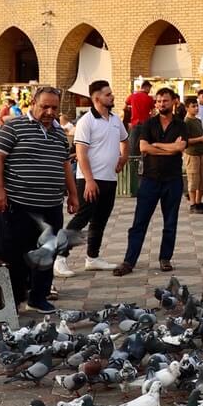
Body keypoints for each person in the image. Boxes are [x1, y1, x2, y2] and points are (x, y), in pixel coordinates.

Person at [0, 84, 78, 311]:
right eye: (45, 107)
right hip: (18, 205)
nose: (49, 112)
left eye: (54, 108)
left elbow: (65, 164)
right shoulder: (13, 128)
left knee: (48, 253)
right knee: (15, 253)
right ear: (33, 104)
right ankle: (14, 300)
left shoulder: (59, 132)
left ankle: (39, 297)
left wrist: (73, 194)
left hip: (51, 205)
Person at [113, 87, 186, 276]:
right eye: (159, 101)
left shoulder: (180, 125)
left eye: (166, 101)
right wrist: (169, 148)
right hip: (150, 179)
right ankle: (129, 261)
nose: (162, 104)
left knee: (170, 222)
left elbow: (180, 148)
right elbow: (143, 147)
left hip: (173, 179)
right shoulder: (148, 124)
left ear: (173, 102)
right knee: (139, 222)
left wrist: (157, 145)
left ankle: (165, 258)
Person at [61, 79, 128, 270]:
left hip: (109, 178)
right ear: (97, 98)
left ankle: (93, 257)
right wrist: (89, 180)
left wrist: (123, 158)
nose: (112, 96)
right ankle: (60, 257)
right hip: (90, 179)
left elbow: (125, 140)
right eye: (108, 94)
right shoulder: (86, 121)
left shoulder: (115, 120)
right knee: (81, 219)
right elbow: (81, 152)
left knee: (101, 219)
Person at [180, 95, 203, 213]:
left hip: (201, 153)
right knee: (193, 179)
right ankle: (193, 204)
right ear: (187, 108)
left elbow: (201, 136)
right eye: (193, 106)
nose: (196, 108)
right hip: (192, 154)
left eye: (197, 106)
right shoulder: (185, 122)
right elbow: (186, 140)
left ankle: (199, 202)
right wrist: (200, 139)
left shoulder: (198, 121)